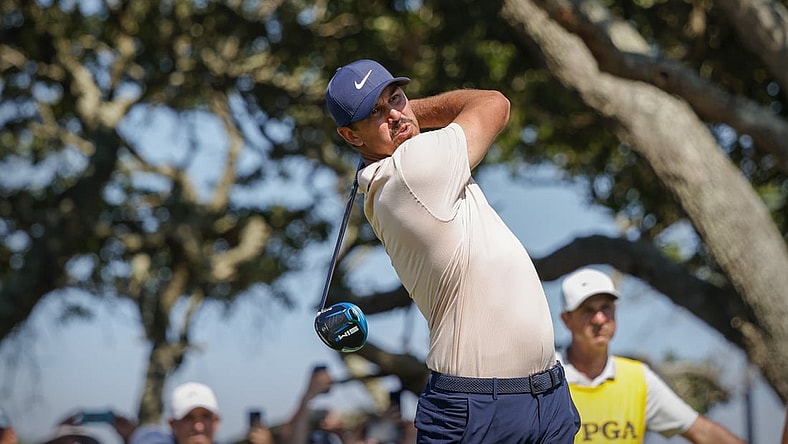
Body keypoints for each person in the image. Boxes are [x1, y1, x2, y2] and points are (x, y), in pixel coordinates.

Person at [325, 59, 579, 442]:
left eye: (396, 97)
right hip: (477, 410)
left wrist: (397, 113)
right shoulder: (411, 169)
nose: (394, 114)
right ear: (351, 136)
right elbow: (494, 104)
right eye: (376, 112)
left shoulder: (408, 167)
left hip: (547, 398)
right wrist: (414, 112)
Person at [557, 267, 748, 444]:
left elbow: (703, 432)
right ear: (566, 320)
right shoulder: (548, 378)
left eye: (605, 307)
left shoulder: (637, 380)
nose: (599, 319)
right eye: (587, 310)